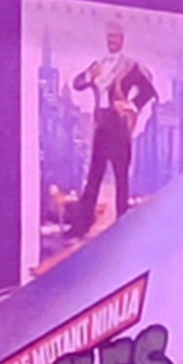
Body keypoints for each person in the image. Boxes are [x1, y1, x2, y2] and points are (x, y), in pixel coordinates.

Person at [62, 19, 162, 248]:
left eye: (115, 37)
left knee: (121, 178)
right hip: (101, 125)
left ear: (122, 40)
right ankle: (81, 226)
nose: (111, 41)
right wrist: (90, 77)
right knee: (93, 177)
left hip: (119, 126)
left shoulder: (131, 66)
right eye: (109, 37)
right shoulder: (98, 65)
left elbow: (149, 91)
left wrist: (130, 105)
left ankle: (124, 229)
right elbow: (78, 83)